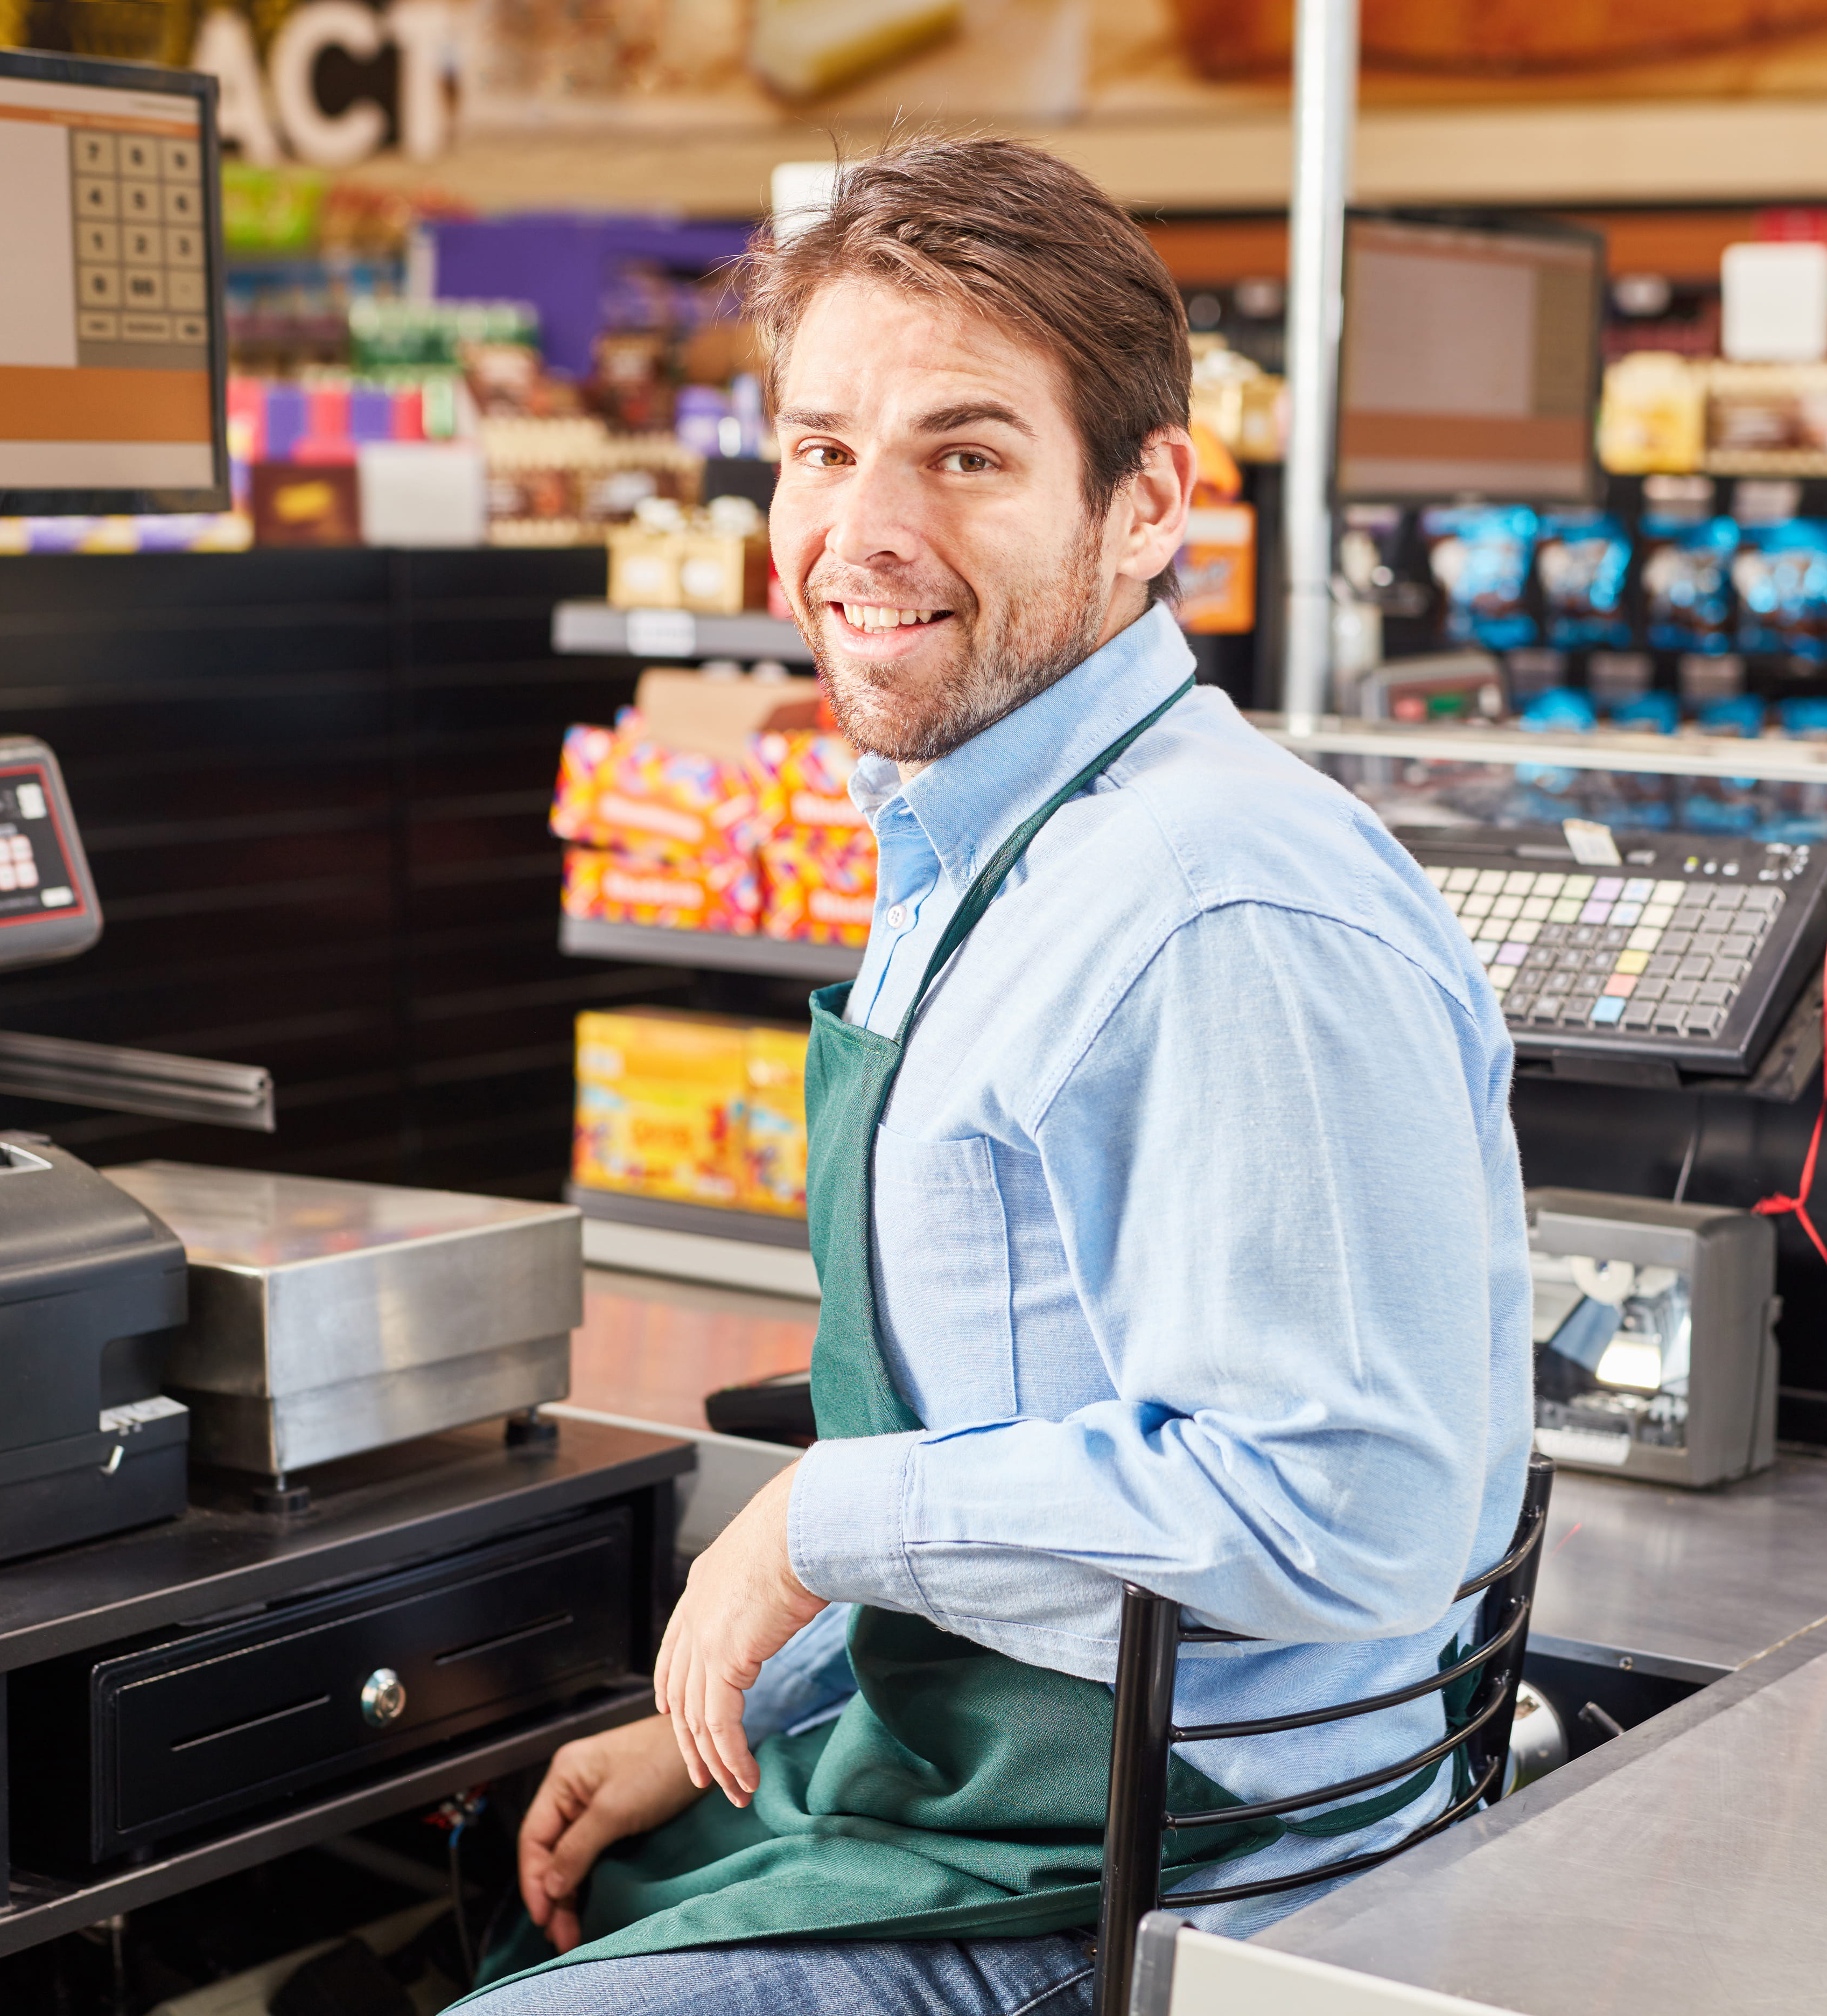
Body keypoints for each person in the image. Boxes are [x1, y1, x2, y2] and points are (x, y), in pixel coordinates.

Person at [464, 136, 1530, 2016]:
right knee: (508, 1860)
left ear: (1146, 508)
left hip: (1160, 1868)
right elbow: (1027, 1410)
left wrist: (810, 1529)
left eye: (964, 455)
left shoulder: (1213, 909)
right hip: (994, 1774)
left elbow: (1344, 1504)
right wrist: (762, 1711)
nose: (859, 533)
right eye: (819, 448)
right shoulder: (985, 829)